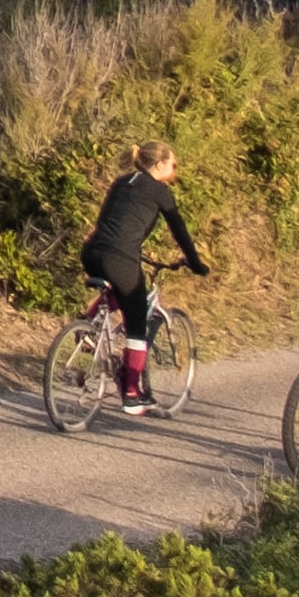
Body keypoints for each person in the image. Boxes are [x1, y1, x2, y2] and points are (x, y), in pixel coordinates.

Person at [80, 140, 208, 410]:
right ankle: (132, 395)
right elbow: (179, 230)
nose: (175, 169)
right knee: (137, 323)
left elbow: (108, 223)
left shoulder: (122, 182)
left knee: (121, 291)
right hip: (119, 258)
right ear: (160, 165)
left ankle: (88, 325)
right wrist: (196, 263)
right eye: (173, 164)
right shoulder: (160, 191)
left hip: (91, 252)